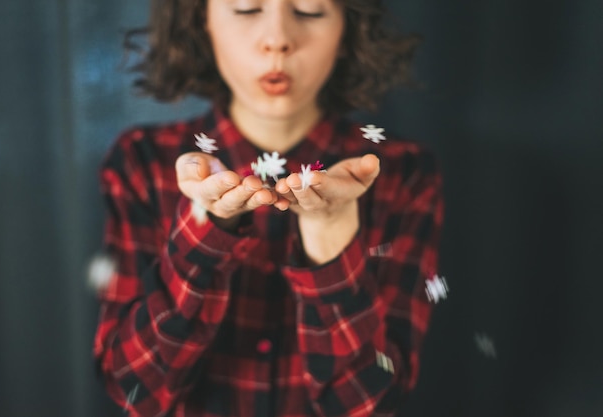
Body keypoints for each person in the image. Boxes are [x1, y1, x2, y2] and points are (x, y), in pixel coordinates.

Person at [93, 0, 444, 416]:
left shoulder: (402, 173)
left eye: (310, 11)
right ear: (201, 20)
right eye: (245, 9)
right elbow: (133, 387)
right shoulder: (143, 163)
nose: (277, 40)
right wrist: (204, 232)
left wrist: (330, 237)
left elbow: (372, 403)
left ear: (347, 29)